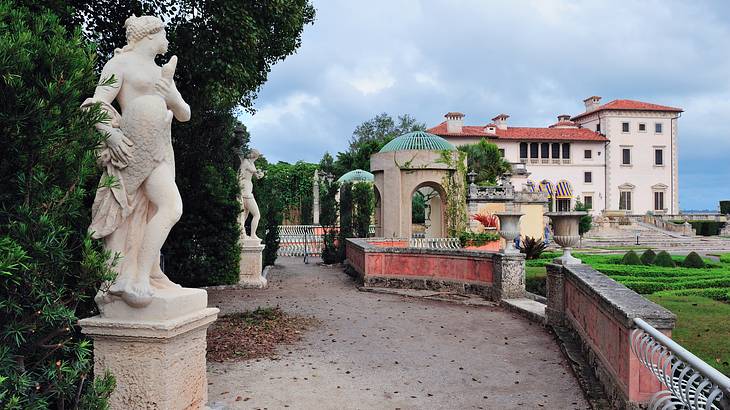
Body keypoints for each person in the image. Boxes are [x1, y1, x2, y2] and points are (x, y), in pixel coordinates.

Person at [82, 15, 190, 307]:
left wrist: (174, 98)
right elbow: (96, 104)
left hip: (160, 151)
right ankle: (129, 277)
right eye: (163, 33)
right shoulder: (120, 64)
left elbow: (185, 113)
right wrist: (111, 137)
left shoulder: (161, 73)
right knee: (160, 207)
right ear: (151, 35)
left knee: (164, 208)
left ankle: (146, 274)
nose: (167, 40)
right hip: (131, 148)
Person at [239, 149, 265, 241]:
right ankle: (253, 234)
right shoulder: (246, 162)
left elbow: (256, 176)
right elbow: (240, 175)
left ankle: (242, 234)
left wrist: (260, 174)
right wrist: (239, 191)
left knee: (244, 215)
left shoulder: (251, 163)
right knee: (256, 214)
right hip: (245, 191)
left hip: (248, 189)